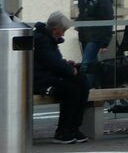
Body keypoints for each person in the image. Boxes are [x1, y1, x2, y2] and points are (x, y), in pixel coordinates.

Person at [33, 10, 90, 145]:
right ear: (55, 29)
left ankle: (73, 128)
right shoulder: (41, 40)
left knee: (82, 83)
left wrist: (67, 65)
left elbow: (55, 62)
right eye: (62, 30)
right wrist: (69, 70)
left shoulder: (48, 39)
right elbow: (52, 63)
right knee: (71, 90)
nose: (63, 34)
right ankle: (63, 130)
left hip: (49, 76)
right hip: (41, 81)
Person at [76, 0, 114, 79]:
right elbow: (83, 13)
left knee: (86, 65)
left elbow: (108, 19)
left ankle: (85, 90)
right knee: (92, 64)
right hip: (84, 34)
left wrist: (105, 42)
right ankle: (95, 88)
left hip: (96, 36)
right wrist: (78, 22)